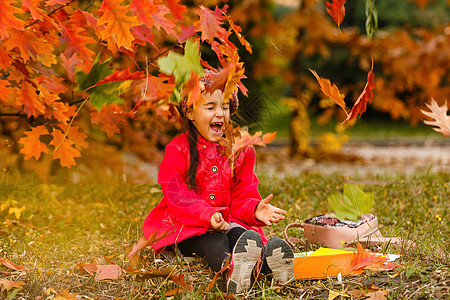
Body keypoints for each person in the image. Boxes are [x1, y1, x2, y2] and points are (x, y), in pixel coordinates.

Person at [142, 70, 294, 293]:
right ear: (191, 113)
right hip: (187, 227)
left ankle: (269, 268)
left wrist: (253, 209)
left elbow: (243, 194)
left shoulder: (239, 151)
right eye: (210, 107)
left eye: (224, 107)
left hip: (226, 223)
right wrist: (206, 214)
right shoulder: (177, 150)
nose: (220, 114)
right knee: (215, 242)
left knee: (243, 237)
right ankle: (231, 272)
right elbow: (177, 196)